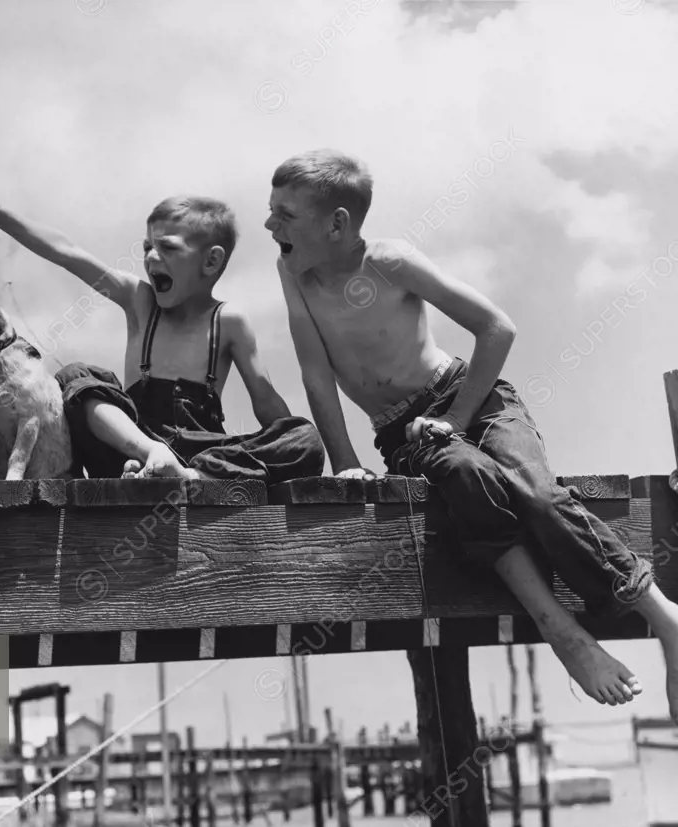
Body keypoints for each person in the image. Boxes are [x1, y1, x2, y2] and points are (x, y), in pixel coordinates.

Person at [267, 148, 678, 722]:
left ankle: (664, 617)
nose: (270, 225)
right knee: (467, 476)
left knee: (531, 487)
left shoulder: (391, 261)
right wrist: (344, 460)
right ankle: (564, 635)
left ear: (337, 223)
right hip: (403, 430)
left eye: (285, 215)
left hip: (472, 399)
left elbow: (496, 328)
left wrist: (457, 419)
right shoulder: (294, 273)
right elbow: (315, 370)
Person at [0, 178, 325, 483]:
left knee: (304, 438)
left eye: (166, 248)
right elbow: (67, 252)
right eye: (147, 246)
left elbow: (266, 402)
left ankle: (191, 476)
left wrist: (290, 440)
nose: (149, 257)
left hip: (204, 451)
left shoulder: (228, 322)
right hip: (128, 447)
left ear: (211, 260)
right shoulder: (139, 302)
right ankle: (153, 458)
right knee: (74, 377)